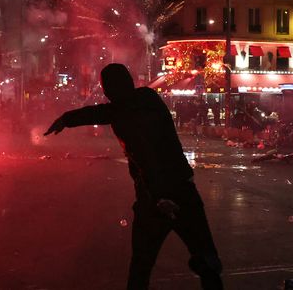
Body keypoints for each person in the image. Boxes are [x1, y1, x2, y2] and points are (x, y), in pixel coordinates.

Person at [44, 64, 223, 290]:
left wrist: (160, 197)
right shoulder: (147, 98)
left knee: (141, 266)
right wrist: (66, 118)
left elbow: (147, 156)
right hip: (183, 191)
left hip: (155, 199)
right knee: (206, 259)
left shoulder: (123, 112)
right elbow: (101, 113)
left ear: (109, 89)